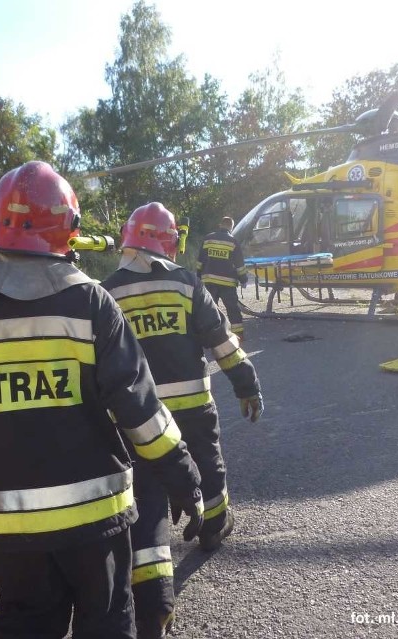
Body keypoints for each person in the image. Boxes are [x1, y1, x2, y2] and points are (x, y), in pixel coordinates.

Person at [0, 161, 204, 639]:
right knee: (105, 623)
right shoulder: (92, 305)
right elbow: (140, 412)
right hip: (94, 522)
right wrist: (184, 477)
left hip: (9, 528)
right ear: (69, 229)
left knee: (26, 624)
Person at [102, 202, 263, 638]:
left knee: (145, 491)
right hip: (192, 404)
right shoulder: (188, 284)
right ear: (171, 241)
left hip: (137, 416)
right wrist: (246, 383)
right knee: (208, 463)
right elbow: (221, 342)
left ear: (128, 238)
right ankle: (213, 525)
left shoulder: (107, 292)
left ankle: (152, 588)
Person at [195, 216, 250, 341]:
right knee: (233, 310)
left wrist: (198, 275)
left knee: (209, 310)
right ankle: (239, 336)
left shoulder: (208, 239)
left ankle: (208, 337)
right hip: (227, 283)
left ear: (220, 225)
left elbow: (200, 261)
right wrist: (244, 279)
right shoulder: (233, 241)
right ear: (231, 227)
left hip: (208, 281)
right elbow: (239, 264)